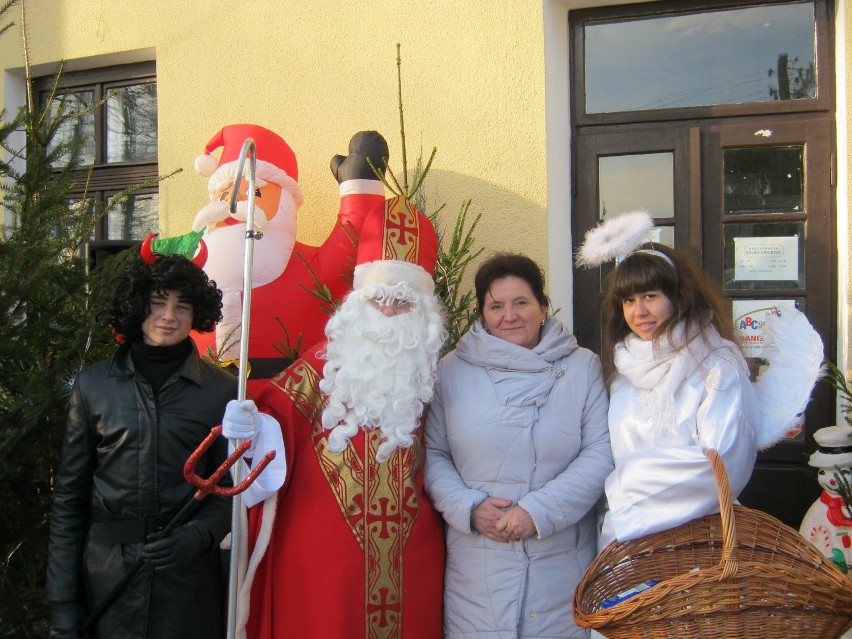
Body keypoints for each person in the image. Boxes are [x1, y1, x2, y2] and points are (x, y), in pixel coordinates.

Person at [223, 196, 447, 639]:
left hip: (413, 561)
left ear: (422, 313)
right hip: (320, 569)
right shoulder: (320, 369)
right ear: (359, 300)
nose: (388, 311)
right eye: (379, 297)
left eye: (402, 301)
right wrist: (249, 421)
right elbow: (272, 412)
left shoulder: (436, 377)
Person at [576, 210, 822, 548]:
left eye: (650, 296)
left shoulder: (716, 365)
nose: (639, 311)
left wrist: (626, 488)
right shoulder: (623, 369)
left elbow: (721, 459)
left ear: (678, 297)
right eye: (628, 300)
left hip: (694, 542)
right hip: (628, 541)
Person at [46, 252, 237, 639]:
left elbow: (230, 489)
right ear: (136, 306)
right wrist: (62, 602)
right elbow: (69, 499)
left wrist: (198, 536)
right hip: (108, 579)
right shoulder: (93, 386)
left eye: (182, 306)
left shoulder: (221, 390)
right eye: (157, 303)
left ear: (196, 314)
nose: (169, 315)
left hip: (186, 582)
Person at [423, 252, 613, 639]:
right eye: (496, 306)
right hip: (477, 572)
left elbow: (600, 452)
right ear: (483, 314)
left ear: (542, 308)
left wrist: (538, 511)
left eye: (521, 303)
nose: (509, 316)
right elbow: (433, 455)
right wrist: (469, 507)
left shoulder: (582, 367)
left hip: (562, 567)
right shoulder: (450, 372)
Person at [188, 125, 390, 386]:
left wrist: (360, 183)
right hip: (200, 403)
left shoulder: (307, 267)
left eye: (255, 192)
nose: (233, 205)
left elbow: (354, 245)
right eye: (224, 194)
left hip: (287, 401)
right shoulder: (188, 275)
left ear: (284, 206)